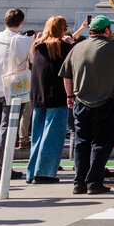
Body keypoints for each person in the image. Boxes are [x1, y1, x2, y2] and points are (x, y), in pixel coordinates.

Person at [60, 15, 114, 194]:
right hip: (106, 102)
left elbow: (67, 75)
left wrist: (70, 96)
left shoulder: (77, 48)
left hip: (80, 102)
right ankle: (94, 182)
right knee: (101, 143)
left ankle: (79, 183)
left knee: (82, 143)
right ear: (106, 30)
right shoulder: (112, 47)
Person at [0, 9, 34, 181]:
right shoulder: (25, 41)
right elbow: (33, 61)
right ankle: (2, 167)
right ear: (21, 22)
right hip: (14, 89)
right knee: (7, 129)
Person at [26, 16, 73, 183]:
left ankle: (32, 172)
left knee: (37, 136)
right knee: (52, 136)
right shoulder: (65, 47)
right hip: (58, 95)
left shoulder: (37, 46)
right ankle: (44, 172)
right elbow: (70, 70)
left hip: (38, 94)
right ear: (61, 29)